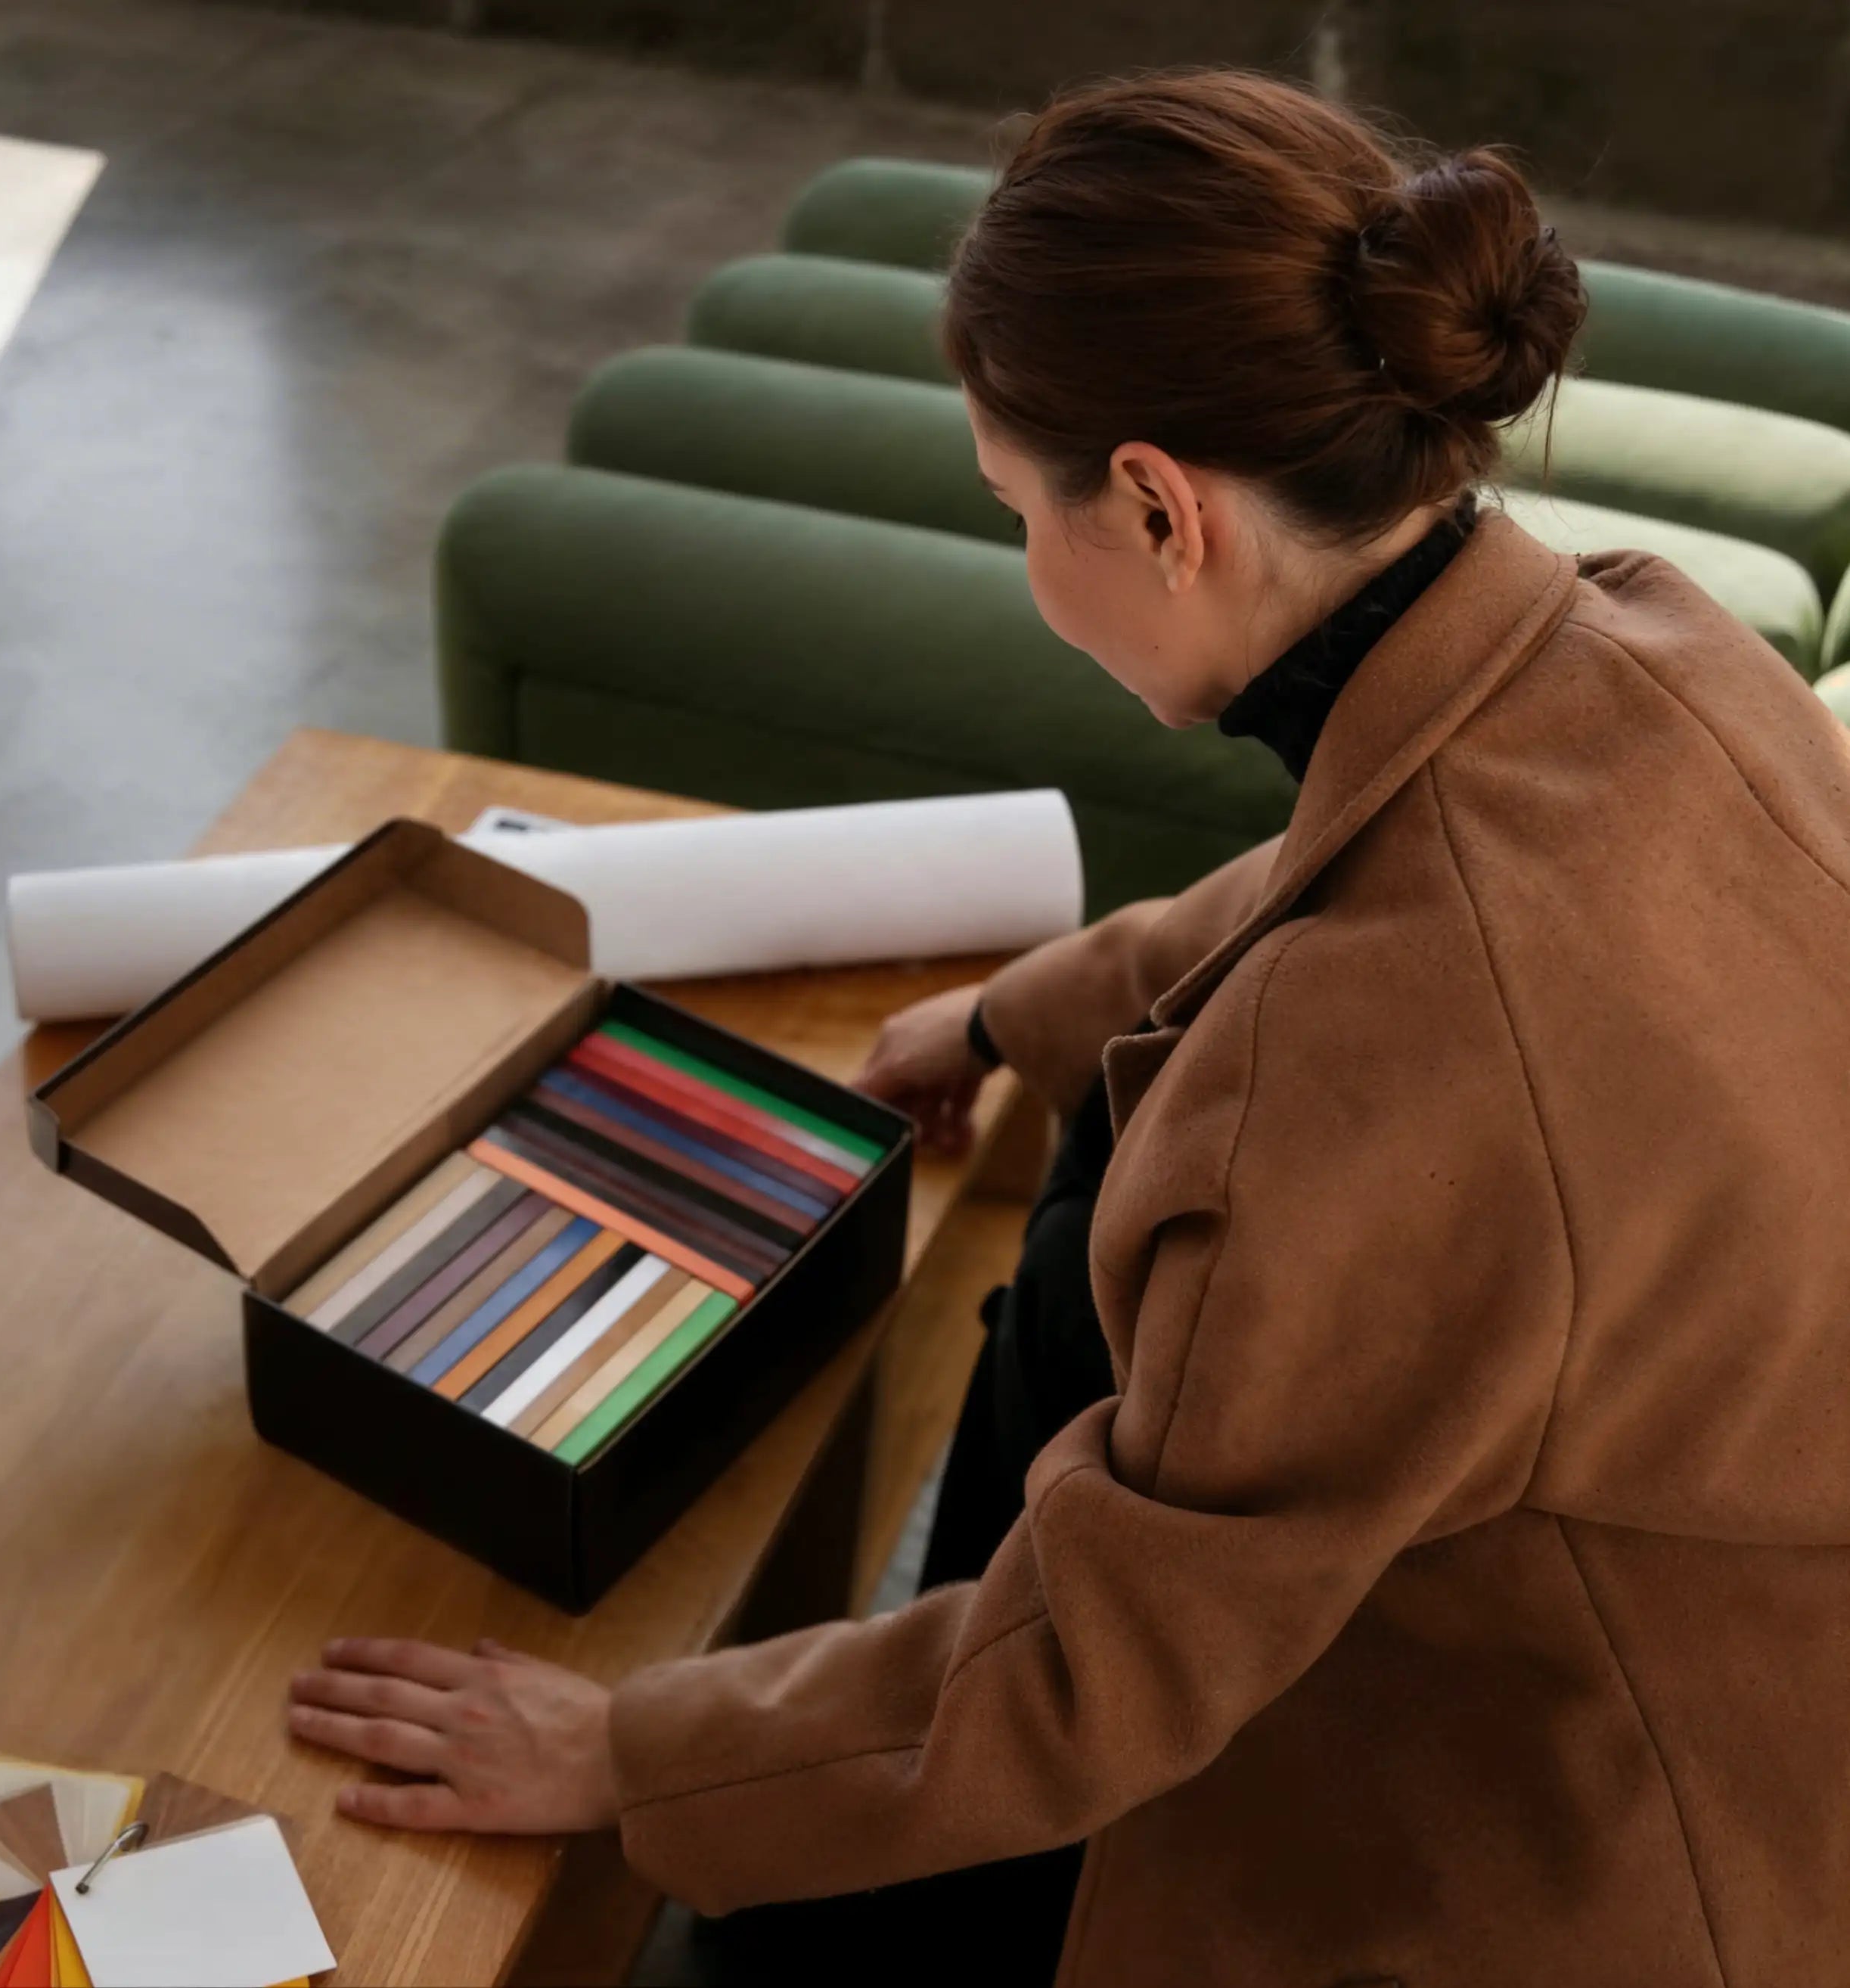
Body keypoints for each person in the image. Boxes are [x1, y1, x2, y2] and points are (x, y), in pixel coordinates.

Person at [285, 71, 1850, 1986]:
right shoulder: (1655, 639)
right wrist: (1024, 1006)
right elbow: (1377, 872)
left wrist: (624, 1747)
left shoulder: (1363, 1081)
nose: (1032, 573)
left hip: (1579, 1825)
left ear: (1157, 506)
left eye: (1017, 510)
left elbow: (1106, 1672)